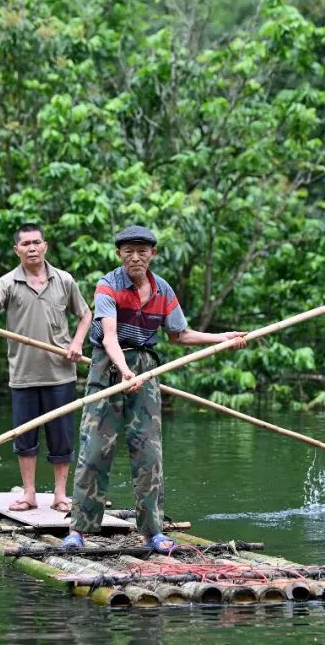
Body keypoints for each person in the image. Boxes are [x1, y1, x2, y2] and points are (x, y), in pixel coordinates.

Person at [63, 225, 247, 553]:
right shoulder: (108, 286)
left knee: (149, 452)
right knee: (94, 451)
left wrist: (223, 338)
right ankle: (79, 530)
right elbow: (108, 337)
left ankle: (152, 532)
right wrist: (123, 372)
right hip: (108, 366)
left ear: (153, 254)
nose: (136, 257)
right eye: (129, 251)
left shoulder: (163, 290)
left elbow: (180, 334)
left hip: (147, 369)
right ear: (119, 254)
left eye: (142, 251)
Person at [0, 223, 92, 513]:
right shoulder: (7, 283)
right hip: (23, 376)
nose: (32, 248)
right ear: (17, 249)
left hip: (60, 374)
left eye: (36, 243)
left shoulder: (65, 280)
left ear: (46, 246)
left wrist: (77, 344)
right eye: (26, 244)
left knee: (61, 436)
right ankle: (28, 494)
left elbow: (85, 314)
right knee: (25, 439)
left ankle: (60, 495)